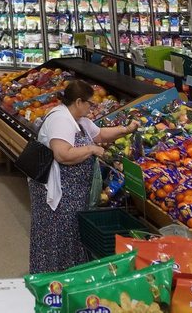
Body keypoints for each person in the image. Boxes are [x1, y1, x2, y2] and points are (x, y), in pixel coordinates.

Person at [28, 79, 137, 274]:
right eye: (90, 103)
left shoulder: (79, 120)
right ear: (78, 102)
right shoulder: (61, 120)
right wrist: (91, 149)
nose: (92, 107)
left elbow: (100, 135)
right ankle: (53, 279)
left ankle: (71, 276)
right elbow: (62, 155)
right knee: (58, 237)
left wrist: (125, 130)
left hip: (74, 193)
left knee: (72, 235)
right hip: (60, 193)